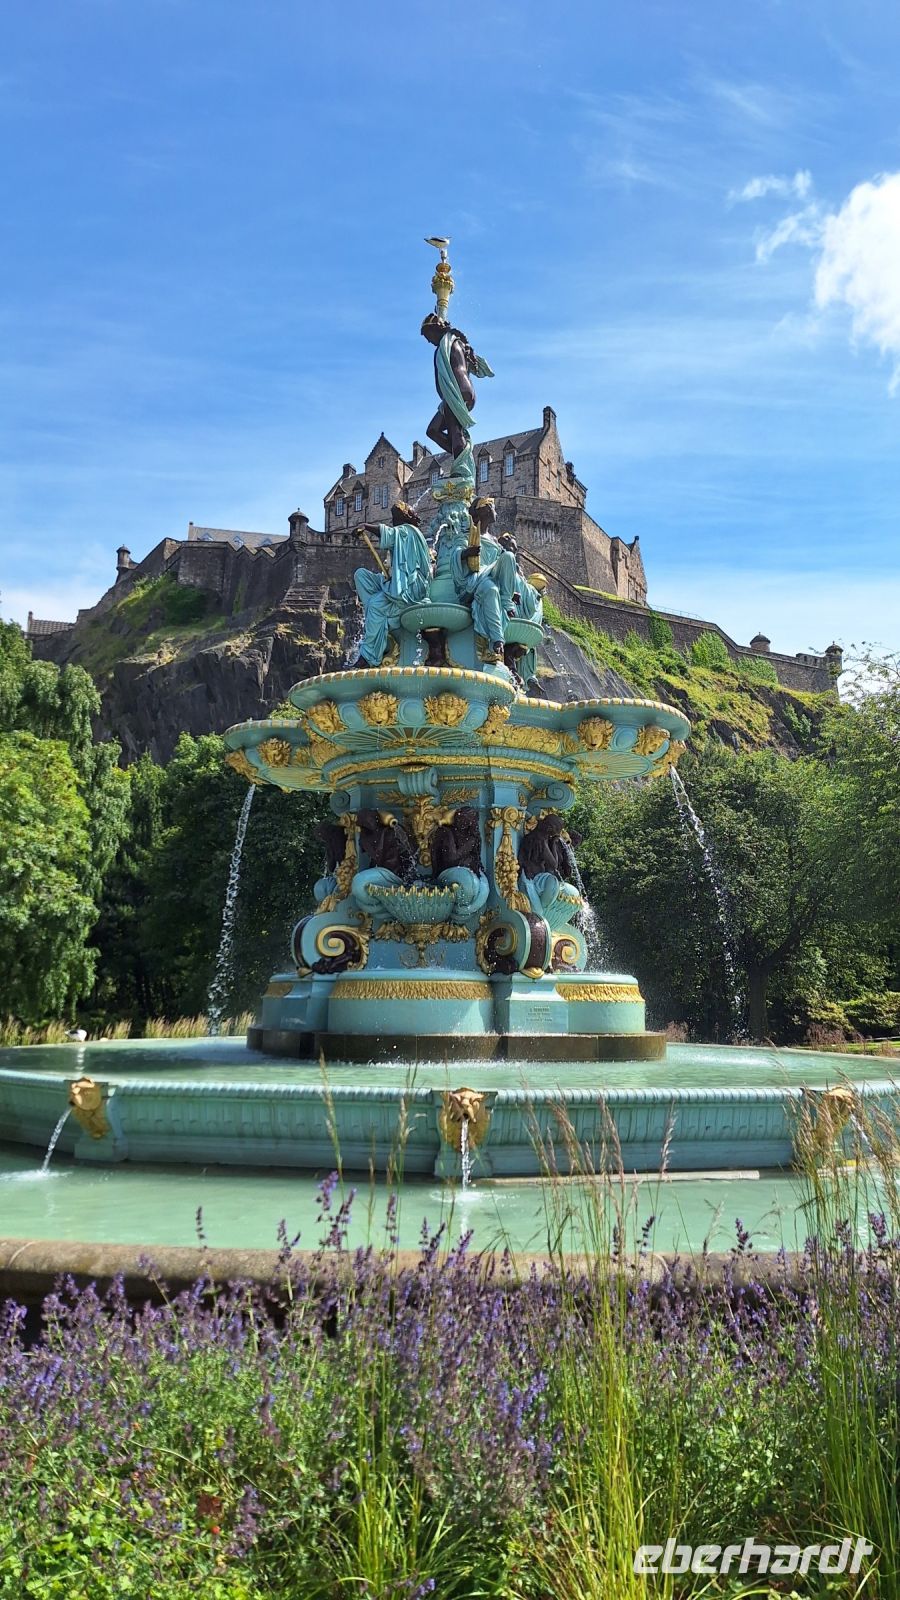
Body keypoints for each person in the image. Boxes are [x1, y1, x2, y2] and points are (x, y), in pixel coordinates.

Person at [350, 502, 432, 668]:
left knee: (375, 605)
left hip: (411, 588)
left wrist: (366, 526)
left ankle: (369, 657)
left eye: (396, 516)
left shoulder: (410, 531)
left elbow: (389, 533)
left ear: (405, 518)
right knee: (361, 576)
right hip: (397, 583)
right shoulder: (402, 534)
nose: (393, 520)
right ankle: (380, 622)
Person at [421, 314, 494, 461]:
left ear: (436, 329)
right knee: (433, 431)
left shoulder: (446, 344)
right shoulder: (456, 343)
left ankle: (462, 467)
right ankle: (462, 457)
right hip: (459, 393)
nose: (429, 341)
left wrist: (441, 312)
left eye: (428, 335)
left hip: (458, 392)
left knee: (455, 431)